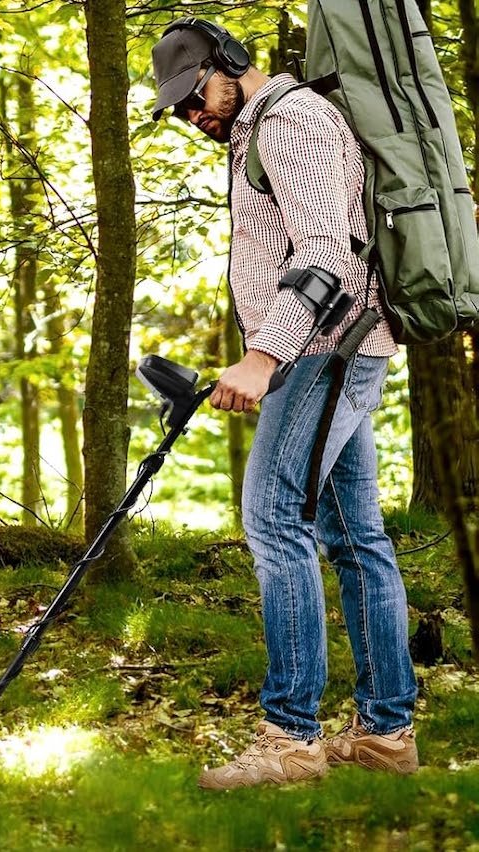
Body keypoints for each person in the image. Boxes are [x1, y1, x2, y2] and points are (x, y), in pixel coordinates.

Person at [150, 20, 418, 789]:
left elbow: (328, 252)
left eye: (195, 95)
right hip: (331, 351)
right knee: (354, 534)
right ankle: (385, 732)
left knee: (272, 518)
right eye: (180, 110)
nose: (192, 116)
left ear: (228, 65)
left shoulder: (290, 119)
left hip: (319, 353)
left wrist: (265, 356)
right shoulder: (254, 130)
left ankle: (290, 740)